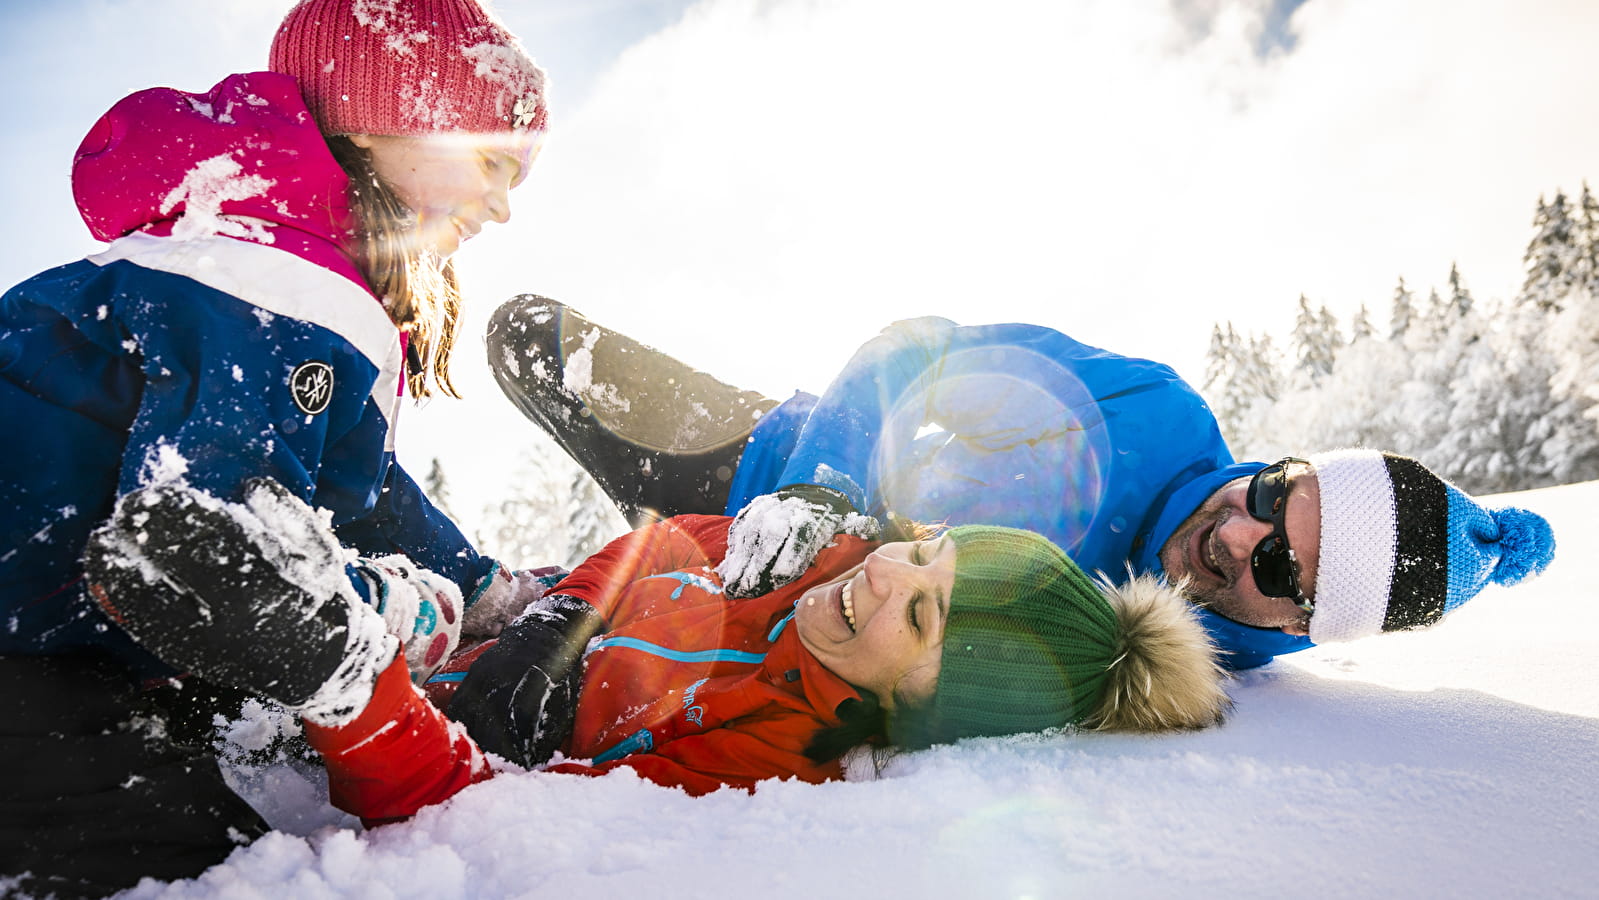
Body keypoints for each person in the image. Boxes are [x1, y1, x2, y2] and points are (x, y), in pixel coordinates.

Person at [0, 1, 548, 894]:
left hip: (46, 624)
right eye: (492, 161)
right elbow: (197, 540)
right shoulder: (276, 287)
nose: (501, 205)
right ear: (383, 122)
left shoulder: (262, 258)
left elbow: (354, 491)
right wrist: (395, 612)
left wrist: (481, 585)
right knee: (173, 860)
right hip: (27, 661)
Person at [80, 476, 1230, 824]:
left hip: (382, 728)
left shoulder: (769, 757)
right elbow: (661, 545)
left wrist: (343, 683)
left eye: (922, 614)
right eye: (924, 549)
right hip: (481, 638)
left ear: (928, 705)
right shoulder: (809, 561)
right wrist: (557, 619)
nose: (887, 572)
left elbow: (477, 816)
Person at [484, 299, 1558, 671]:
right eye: (1277, 497)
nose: (1240, 535)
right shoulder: (1152, 413)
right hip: (755, 458)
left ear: (1305, 629)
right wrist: (820, 488)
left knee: (517, 634)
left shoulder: (1179, 673)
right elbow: (917, 348)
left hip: (760, 607)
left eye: (1281, 567)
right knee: (528, 336)